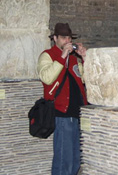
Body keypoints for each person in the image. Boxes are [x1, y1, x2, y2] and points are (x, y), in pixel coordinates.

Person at [37, 23, 88, 175]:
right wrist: (62, 56)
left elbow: (87, 79)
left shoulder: (74, 60)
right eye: (64, 37)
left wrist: (84, 57)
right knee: (63, 160)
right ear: (55, 38)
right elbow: (47, 78)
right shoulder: (47, 55)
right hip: (61, 113)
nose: (67, 41)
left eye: (69, 38)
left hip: (78, 114)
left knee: (76, 160)